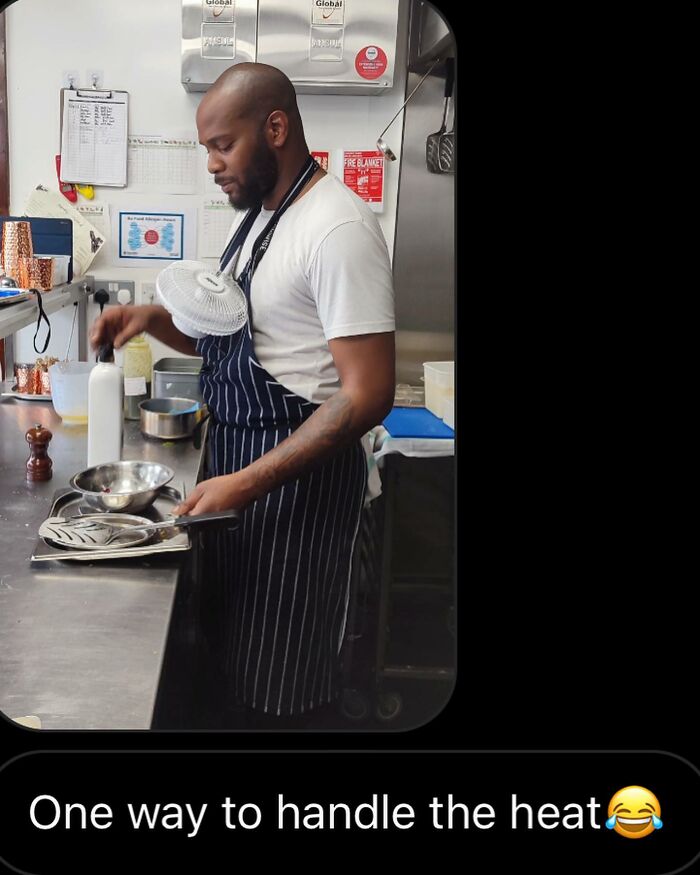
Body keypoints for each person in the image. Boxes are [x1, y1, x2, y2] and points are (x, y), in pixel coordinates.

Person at [91, 62, 395, 727]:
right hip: (238, 475)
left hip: (299, 496)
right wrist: (153, 320)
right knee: (234, 676)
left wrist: (249, 482)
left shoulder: (337, 227)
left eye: (222, 145)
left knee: (284, 690)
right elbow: (235, 340)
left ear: (275, 128)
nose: (212, 165)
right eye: (207, 148)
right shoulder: (260, 217)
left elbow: (369, 393)